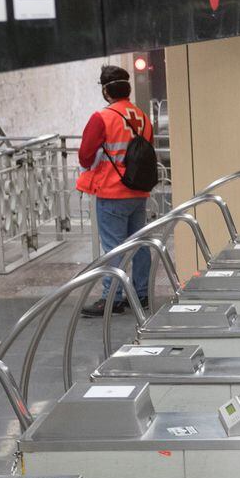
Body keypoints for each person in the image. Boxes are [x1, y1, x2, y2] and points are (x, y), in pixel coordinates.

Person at [76, 64, 155, 317]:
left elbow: (85, 157)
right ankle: (142, 294)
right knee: (139, 244)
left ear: (106, 91)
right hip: (138, 191)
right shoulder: (142, 117)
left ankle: (112, 298)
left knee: (114, 247)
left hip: (111, 193)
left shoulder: (102, 118)